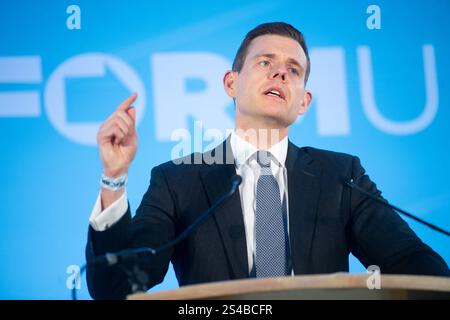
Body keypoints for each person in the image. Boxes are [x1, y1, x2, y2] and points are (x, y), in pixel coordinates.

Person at [86, 22, 450, 300]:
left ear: (303, 101)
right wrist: (114, 177)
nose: (280, 73)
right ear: (231, 83)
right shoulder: (177, 180)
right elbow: (117, 286)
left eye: (294, 69)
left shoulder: (342, 176)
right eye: (265, 62)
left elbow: (416, 266)